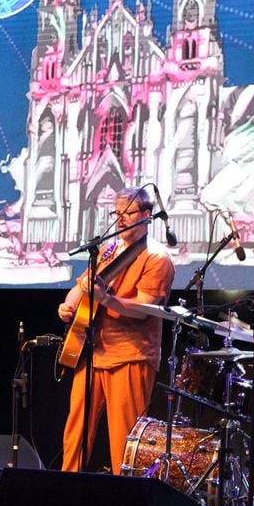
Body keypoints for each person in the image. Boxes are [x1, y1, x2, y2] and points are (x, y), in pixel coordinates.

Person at [56, 187, 176, 473]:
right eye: (117, 214)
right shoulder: (110, 248)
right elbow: (83, 284)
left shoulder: (156, 257)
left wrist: (107, 300)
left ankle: (126, 503)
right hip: (93, 350)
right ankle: (64, 492)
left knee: (125, 439)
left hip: (130, 355)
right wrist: (68, 305)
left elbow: (145, 308)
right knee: (76, 432)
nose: (121, 220)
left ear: (147, 216)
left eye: (128, 213)